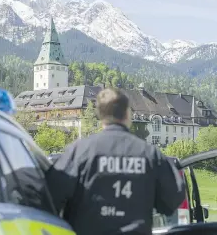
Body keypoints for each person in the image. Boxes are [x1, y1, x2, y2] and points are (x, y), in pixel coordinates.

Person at [45, 87, 185, 235]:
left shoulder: (79, 152)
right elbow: (173, 200)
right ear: (127, 113)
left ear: (100, 115)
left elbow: (48, 198)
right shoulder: (149, 154)